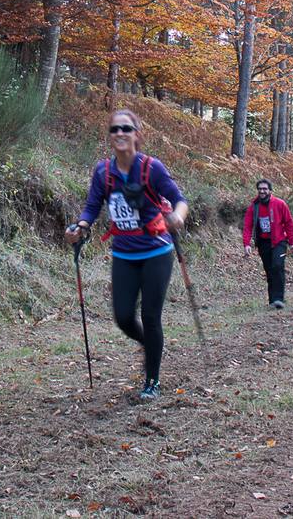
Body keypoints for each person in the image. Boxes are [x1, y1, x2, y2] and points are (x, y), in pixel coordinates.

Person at [65, 109, 189, 402]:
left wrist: (178, 218)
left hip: (157, 250)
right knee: (122, 316)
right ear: (110, 136)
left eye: (126, 128)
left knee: (150, 314)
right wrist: (80, 227)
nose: (120, 133)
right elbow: (92, 208)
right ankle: (150, 344)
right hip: (124, 252)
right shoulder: (103, 172)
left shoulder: (152, 168)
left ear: (137, 134)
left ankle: (152, 379)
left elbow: (179, 199)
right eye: (114, 129)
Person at [242, 179, 293, 309]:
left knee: (277, 266)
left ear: (270, 190)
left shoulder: (279, 204)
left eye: (265, 189)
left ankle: (279, 298)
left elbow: (289, 223)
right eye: (260, 189)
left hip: (279, 241)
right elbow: (247, 226)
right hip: (263, 242)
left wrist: (292, 242)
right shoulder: (253, 206)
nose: (262, 191)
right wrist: (247, 243)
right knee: (269, 270)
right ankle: (273, 300)